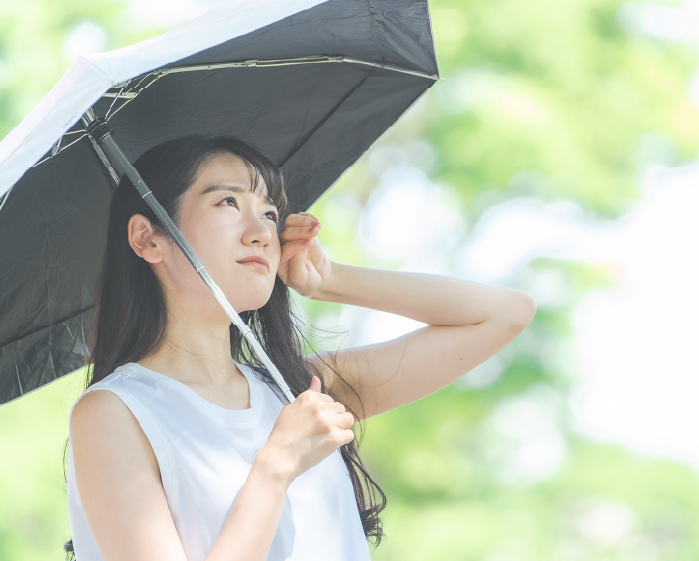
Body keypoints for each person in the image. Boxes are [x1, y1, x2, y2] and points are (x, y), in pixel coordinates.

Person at [65, 136, 536, 561]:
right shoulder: (116, 413)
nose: (261, 231)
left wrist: (331, 281)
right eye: (228, 202)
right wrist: (275, 468)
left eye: (269, 212)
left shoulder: (299, 389)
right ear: (148, 239)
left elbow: (506, 313)